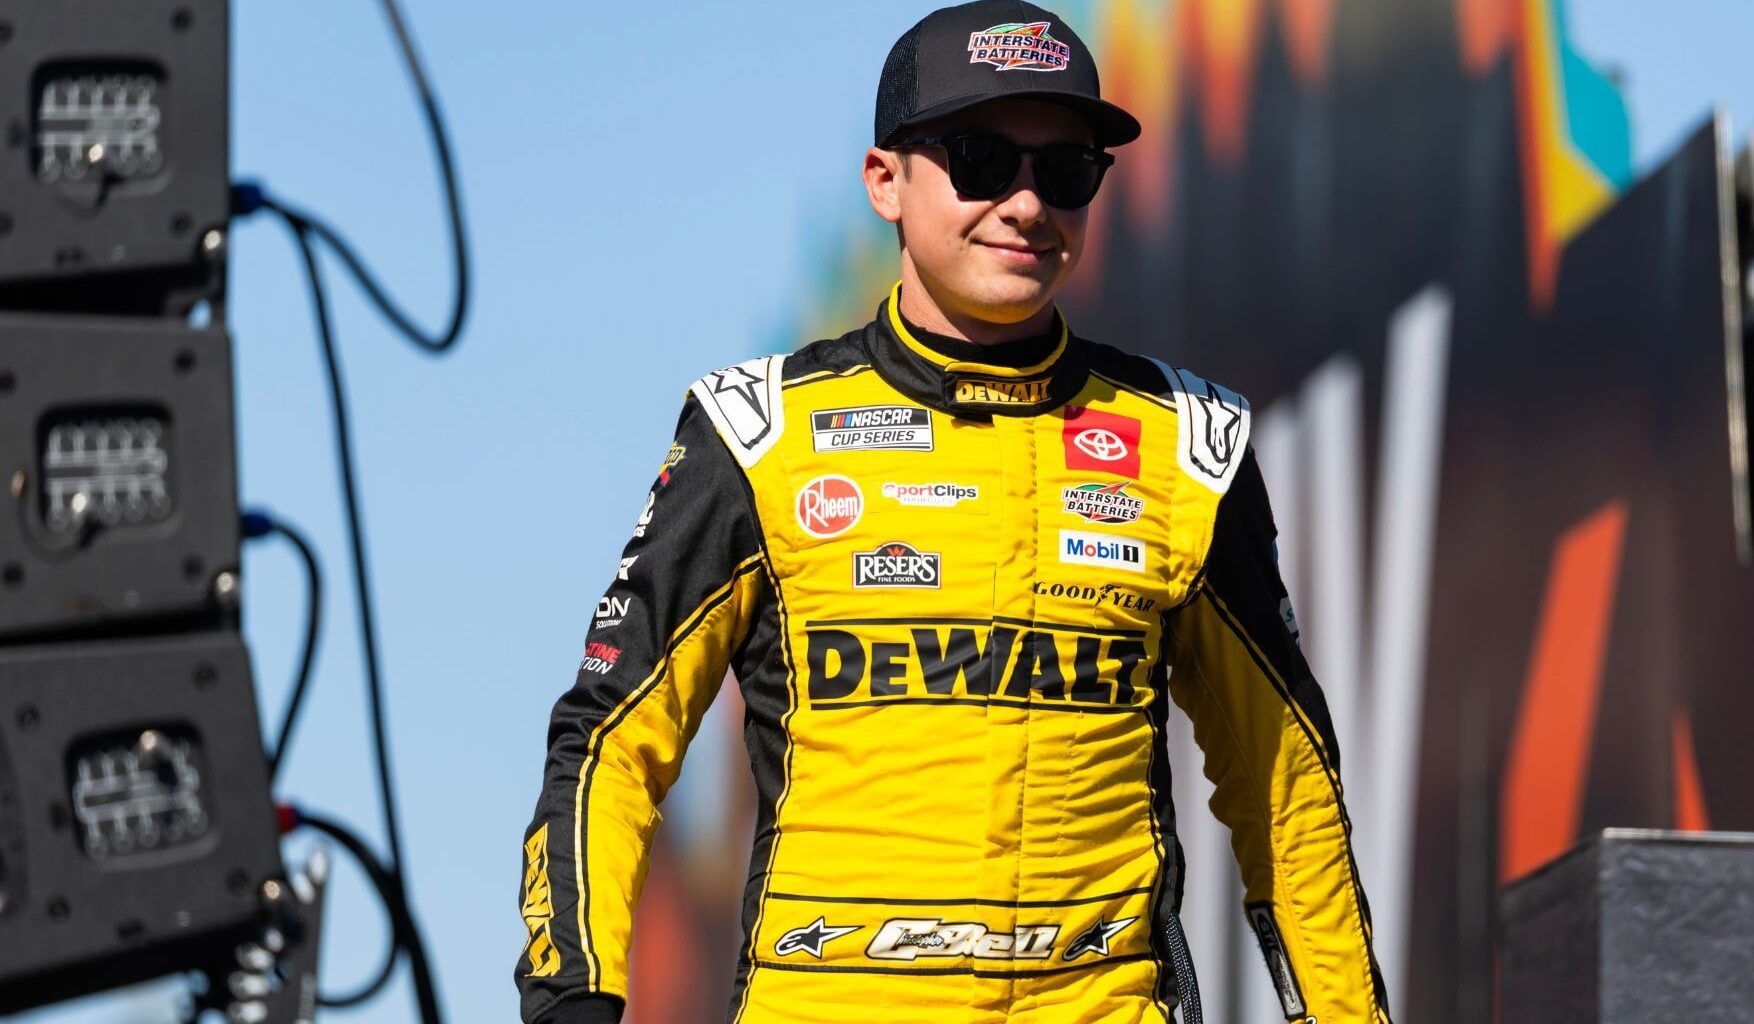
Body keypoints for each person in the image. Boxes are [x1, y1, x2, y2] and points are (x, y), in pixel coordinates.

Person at [514, 2, 1389, 1021]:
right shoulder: (755, 431)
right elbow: (610, 740)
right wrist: (574, 998)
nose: (1025, 204)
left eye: (1065, 172)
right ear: (885, 181)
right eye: (979, 159)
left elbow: (1287, 784)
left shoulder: (1191, 441)